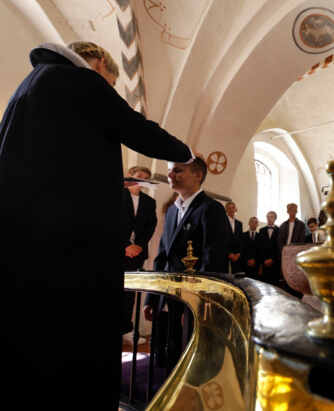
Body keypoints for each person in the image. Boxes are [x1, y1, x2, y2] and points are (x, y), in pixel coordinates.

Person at [0, 41, 195, 409]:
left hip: (27, 236)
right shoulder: (80, 80)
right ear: (102, 64)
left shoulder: (30, 85)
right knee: (75, 337)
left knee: (28, 334)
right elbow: (134, 127)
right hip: (69, 245)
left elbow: (52, 163)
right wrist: (186, 153)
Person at [143, 158, 228, 367]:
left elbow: (212, 262)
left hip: (190, 301)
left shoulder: (211, 209)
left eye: (178, 171)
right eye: (170, 170)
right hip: (167, 298)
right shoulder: (172, 211)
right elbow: (162, 257)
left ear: (197, 176)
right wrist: (152, 299)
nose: (170, 175)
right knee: (162, 362)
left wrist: (196, 306)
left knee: (189, 363)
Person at [122, 165, 157, 346]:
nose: (142, 179)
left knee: (129, 294)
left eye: (146, 177)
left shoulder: (149, 202)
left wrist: (137, 247)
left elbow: (150, 227)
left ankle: (126, 330)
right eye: (139, 175)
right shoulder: (117, 194)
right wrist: (125, 246)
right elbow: (108, 221)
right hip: (116, 251)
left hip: (136, 254)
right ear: (129, 176)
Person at [258, 211, 281, 286]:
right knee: (265, 284)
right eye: (268, 217)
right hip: (265, 262)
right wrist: (265, 259)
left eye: (271, 217)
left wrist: (272, 259)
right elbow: (260, 246)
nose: (269, 219)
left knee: (275, 284)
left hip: (275, 261)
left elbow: (279, 246)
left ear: (275, 218)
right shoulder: (261, 230)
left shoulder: (280, 230)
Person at [225, 201, 244, 273]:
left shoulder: (239, 223)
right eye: (229, 208)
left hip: (236, 254)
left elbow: (241, 239)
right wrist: (229, 253)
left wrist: (239, 253)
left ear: (236, 210)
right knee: (224, 274)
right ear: (226, 210)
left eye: (233, 208)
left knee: (237, 275)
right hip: (225, 252)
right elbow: (222, 239)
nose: (231, 210)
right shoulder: (223, 221)